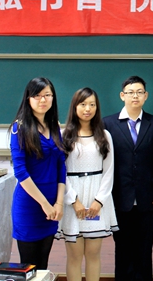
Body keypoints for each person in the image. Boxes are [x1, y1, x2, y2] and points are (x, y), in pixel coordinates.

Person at [103, 75, 153, 281]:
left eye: (139, 92)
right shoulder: (108, 123)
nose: (135, 96)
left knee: (144, 249)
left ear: (146, 96)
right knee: (122, 249)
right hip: (119, 198)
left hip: (148, 198)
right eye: (131, 92)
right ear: (122, 95)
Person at [57, 87, 118, 281]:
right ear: (75, 107)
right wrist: (73, 201)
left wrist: (98, 201)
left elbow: (109, 171)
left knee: (93, 254)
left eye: (92, 104)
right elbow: (61, 172)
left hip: (95, 201)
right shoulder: (64, 135)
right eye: (83, 104)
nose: (87, 109)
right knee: (74, 256)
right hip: (73, 201)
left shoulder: (105, 135)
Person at [9, 77, 66, 270]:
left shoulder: (55, 126)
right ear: (28, 98)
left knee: (43, 265)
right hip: (30, 205)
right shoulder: (19, 128)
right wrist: (45, 204)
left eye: (47, 95)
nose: (43, 100)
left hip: (52, 206)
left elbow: (61, 166)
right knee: (29, 267)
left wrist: (58, 203)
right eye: (37, 95)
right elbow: (20, 172)